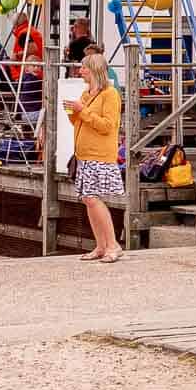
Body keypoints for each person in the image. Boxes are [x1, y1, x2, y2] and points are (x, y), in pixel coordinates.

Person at [65, 51, 125, 262]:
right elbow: (80, 122)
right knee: (88, 199)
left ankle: (113, 245)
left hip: (100, 155)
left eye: (84, 67)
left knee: (92, 198)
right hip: (84, 155)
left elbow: (107, 126)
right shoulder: (86, 94)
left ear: (94, 70)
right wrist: (74, 113)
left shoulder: (110, 95)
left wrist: (84, 112)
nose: (80, 71)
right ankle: (101, 245)